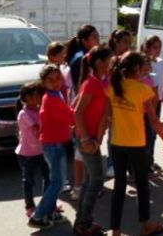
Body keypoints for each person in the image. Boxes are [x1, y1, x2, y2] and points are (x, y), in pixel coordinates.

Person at [106, 51, 163, 236]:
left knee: (119, 186)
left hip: (116, 143)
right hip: (136, 144)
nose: (145, 69)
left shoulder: (113, 87)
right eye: (142, 66)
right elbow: (154, 120)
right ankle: (146, 225)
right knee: (142, 184)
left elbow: (108, 116)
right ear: (136, 68)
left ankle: (116, 230)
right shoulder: (143, 90)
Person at [72, 45, 113, 236]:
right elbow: (78, 112)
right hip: (85, 138)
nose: (111, 64)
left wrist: (98, 136)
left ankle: (82, 222)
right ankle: (83, 224)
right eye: (109, 60)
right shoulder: (92, 83)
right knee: (96, 179)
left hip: (93, 138)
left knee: (91, 180)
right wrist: (87, 138)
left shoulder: (101, 81)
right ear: (99, 62)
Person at [29, 64, 73, 229]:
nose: (56, 82)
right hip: (53, 144)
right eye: (51, 80)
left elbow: (66, 114)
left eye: (58, 78)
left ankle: (50, 211)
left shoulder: (55, 94)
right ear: (44, 83)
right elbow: (69, 116)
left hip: (55, 143)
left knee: (55, 181)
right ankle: (38, 215)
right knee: (58, 182)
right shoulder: (52, 98)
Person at [65, 25, 100, 200]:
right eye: (94, 37)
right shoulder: (82, 59)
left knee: (81, 153)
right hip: (82, 111)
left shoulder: (82, 56)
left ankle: (83, 185)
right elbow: (81, 89)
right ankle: (79, 188)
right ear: (85, 40)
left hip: (82, 108)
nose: (97, 39)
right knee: (81, 152)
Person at [15, 81, 49, 219]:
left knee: (48, 179)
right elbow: (38, 130)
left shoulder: (39, 111)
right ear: (26, 98)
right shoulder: (23, 114)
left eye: (39, 96)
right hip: (27, 154)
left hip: (42, 152)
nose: (38, 99)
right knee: (28, 181)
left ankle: (48, 204)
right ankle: (30, 207)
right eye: (35, 96)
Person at [142, 35, 163, 175]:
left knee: (153, 134)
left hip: (158, 101)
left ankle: (149, 161)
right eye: (154, 47)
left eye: (159, 47)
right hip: (148, 102)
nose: (157, 50)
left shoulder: (161, 62)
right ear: (147, 47)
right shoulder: (144, 62)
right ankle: (144, 165)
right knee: (147, 134)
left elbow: (160, 85)